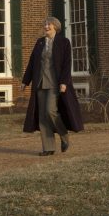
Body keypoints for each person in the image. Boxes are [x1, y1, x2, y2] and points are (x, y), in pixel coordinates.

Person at [21, 16, 84, 156]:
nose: (46, 26)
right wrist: (25, 81)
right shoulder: (39, 43)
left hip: (55, 83)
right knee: (42, 116)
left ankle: (64, 134)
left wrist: (64, 82)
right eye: (45, 24)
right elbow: (32, 63)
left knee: (50, 111)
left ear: (56, 26)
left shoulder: (64, 42)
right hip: (40, 82)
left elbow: (67, 64)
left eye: (49, 24)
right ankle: (48, 148)